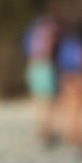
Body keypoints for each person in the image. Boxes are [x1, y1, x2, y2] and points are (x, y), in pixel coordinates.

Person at [55, 17, 82, 154]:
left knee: (70, 107)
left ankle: (70, 133)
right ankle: (79, 136)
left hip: (66, 76)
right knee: (80, 108)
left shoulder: (66, 43)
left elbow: (60, 61)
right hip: (79, 76)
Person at [23, 9, 61, 146]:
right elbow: (49, 50)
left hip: (33, 66)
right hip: (45, 66)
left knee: (38, 99)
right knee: (48, 100)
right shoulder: (47, 32)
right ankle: (47, 130)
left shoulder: (33, 32)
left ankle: (41, 129)